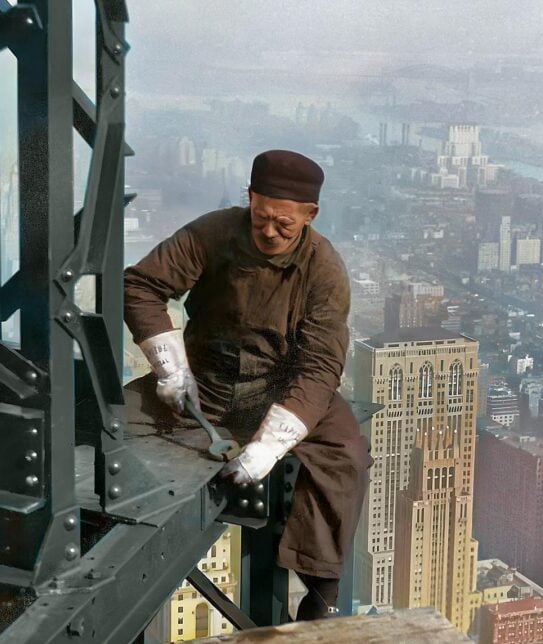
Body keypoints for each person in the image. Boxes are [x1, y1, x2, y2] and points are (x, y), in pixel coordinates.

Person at [123, 149, 370, 620]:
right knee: (107, 423)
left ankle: (320, 596)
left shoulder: (324, 270)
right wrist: (170, 368)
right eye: (260, 217)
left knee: (345, 457)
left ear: (310, 216)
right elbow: (142, 286)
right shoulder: (213, 232)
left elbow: (319, 366)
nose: (269, 232)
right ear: (249, 198)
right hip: (204, 382)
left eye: (284, 224)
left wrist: (268, 447)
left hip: (281, 389)